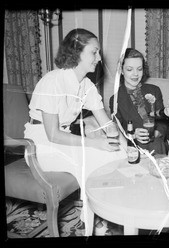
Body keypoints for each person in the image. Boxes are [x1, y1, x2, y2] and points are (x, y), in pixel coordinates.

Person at [24, 28, 127, 203]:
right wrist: (96, 143)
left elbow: (107, 124)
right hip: (40, 146)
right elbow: (53, 135)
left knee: (118, 155)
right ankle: (94, 216)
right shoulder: (52, 82)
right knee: (98, 159)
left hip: (64, 142)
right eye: (94, 52)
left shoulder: (86, 85)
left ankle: (111, 207)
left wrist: (127, 148)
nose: (100, 58)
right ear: (77, 52)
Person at [109, 48, 167, 155]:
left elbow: (163, 121)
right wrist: (133, 134)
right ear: (121, 70)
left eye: (139, 69)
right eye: (130, 69)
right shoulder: (115, 99)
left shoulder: (154, 90)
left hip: (156, 143)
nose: (135, 74)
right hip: (133, 146)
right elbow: (118, 129)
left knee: (156, 144)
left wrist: (156, 133)